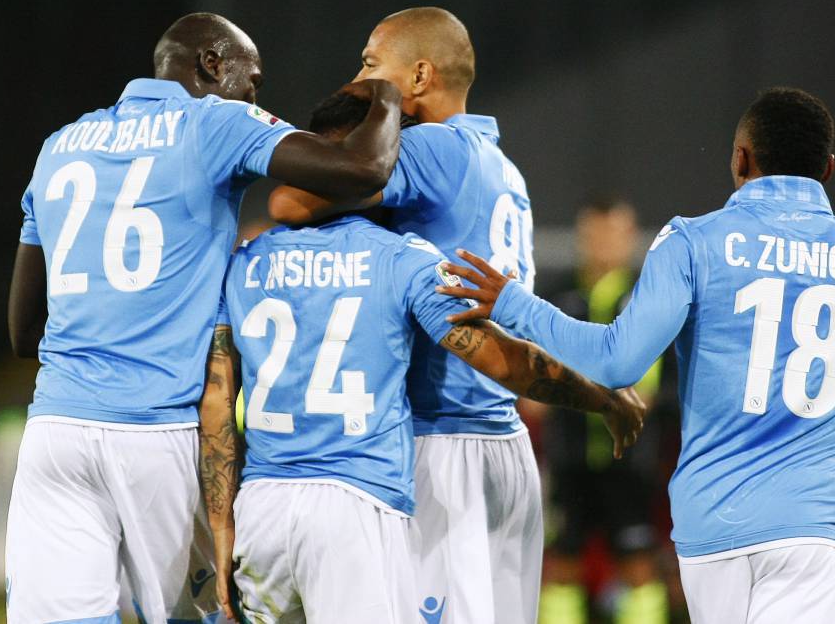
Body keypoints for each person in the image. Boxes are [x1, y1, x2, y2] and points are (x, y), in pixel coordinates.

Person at [437, 87, 835, 623]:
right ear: (828, 169)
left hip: (713, 537)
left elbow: (615, 362)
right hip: (813, 531)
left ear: (740, 158)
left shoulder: (692, 242)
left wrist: (513, 303)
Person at [6, 12, 402, 623]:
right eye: (252, 81)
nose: (254, 99)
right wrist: (387, 95)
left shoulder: (59, 145)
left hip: (56, 430)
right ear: (212, 64)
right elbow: (363, 168)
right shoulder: (216, 121)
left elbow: (21, 331)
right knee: (201, 613)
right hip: (155, 432)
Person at [198, 91, 646, 623]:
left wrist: (221, 525)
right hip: (355, 503)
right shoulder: (401, 261)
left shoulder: (244, 262)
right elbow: (507, 362)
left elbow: (216, 403)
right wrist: (601, 397)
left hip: (263, 504)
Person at [267, 7, 544, 623]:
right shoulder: (502, 166)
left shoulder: (430, 146)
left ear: (418, 77)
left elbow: (289, 202)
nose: (356, 80)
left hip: (439, 442)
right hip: (504, 437)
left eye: (370, 64)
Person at [536, 197, 669, 624]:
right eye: (595, 234)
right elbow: (532, 391)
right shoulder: (555, 296)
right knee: (562, 566)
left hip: (631, 465)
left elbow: (654, 389)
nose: (603, 244)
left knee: (638, 565)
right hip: (569, 460)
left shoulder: (649, 298)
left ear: (630, 237)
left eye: (613, 234)